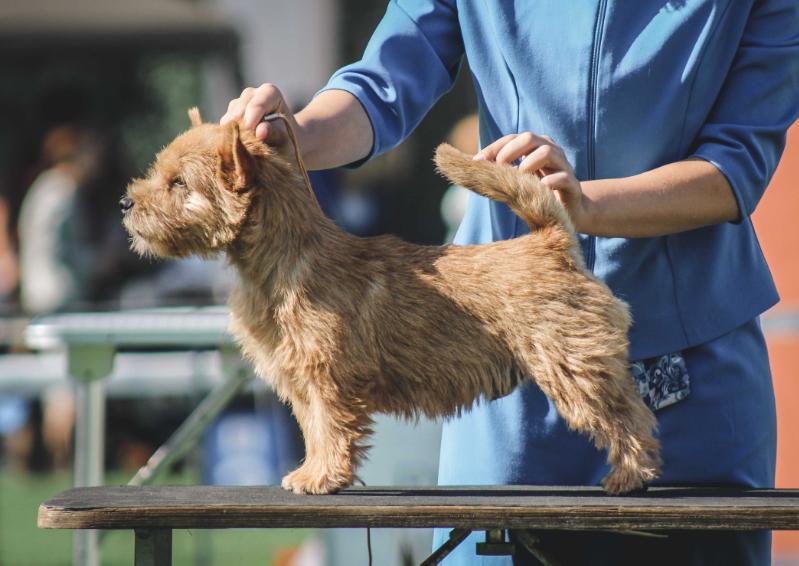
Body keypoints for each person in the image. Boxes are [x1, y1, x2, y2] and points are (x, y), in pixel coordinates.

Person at [222, 2, 799, 564]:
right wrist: (295, 134)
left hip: (693, 370)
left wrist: (585, 204)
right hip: (490, 344)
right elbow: (383, 80)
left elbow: (737, 163)